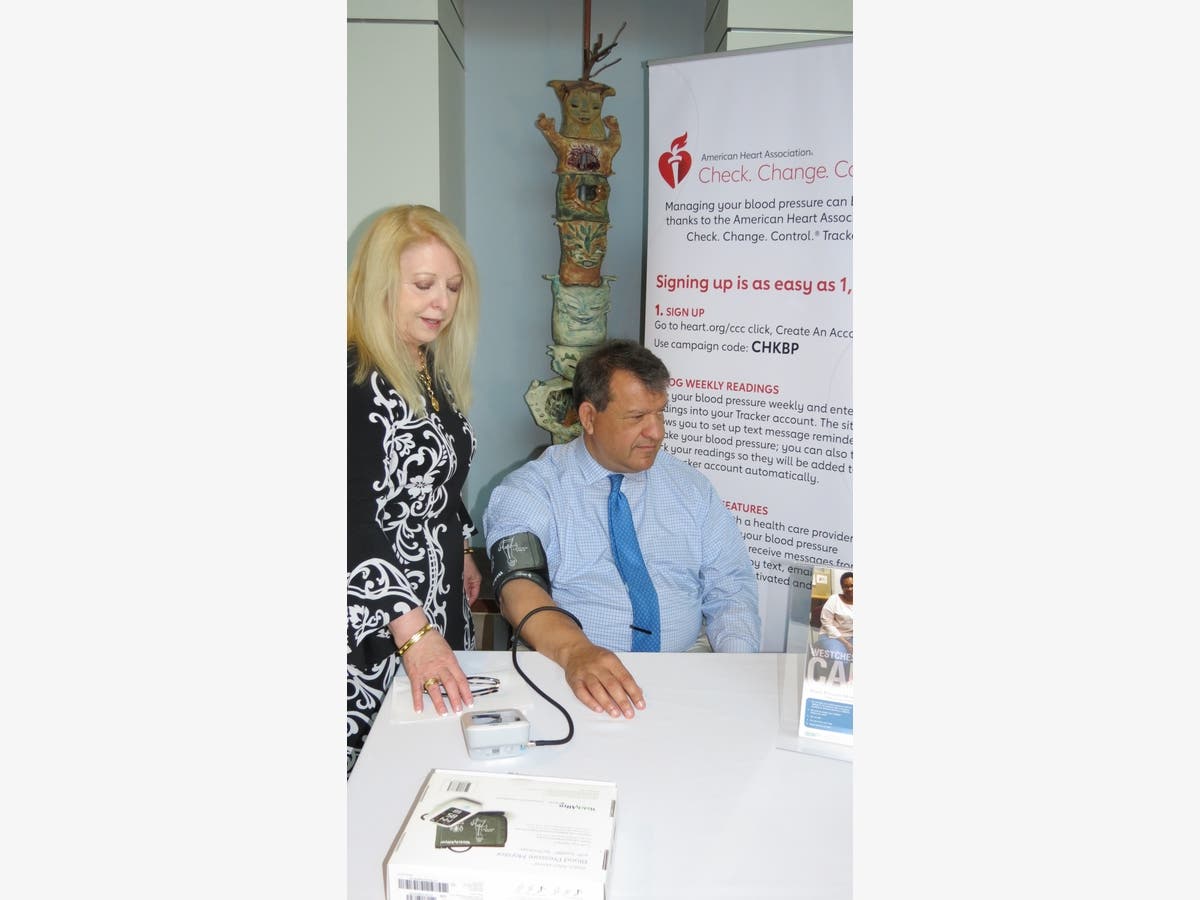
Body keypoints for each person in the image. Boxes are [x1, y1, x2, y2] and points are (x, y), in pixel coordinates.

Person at [482, 339, 761, 720]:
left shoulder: (690, 488)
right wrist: (576, 650)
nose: (656, 432)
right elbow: (517, 585)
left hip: (687, 669)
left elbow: (731, 586)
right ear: (589, 416)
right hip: (571, 671)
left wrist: (736, 672)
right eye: (636, 418)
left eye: (660, 413)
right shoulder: (531, 490)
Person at [346, 204, 483, 775]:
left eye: (452, 287)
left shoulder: (425, 365)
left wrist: (465, 544)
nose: (442, 302)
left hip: (438, 607)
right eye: (424, 285)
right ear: (380, 286)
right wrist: (412, 630)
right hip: (379, 626)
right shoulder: (350, 373)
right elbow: (349, 518)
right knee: (375, 779)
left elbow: (442, 472)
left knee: (433, 764)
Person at [815, 570, 853, 667]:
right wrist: (846, 644)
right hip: (831, 636)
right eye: (846, 586)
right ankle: (841, 681)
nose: (850, 589)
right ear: (842, 587)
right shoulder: (834, 599)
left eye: (852, 585)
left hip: (851, 636)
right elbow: (827, 624)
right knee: (842, 659)